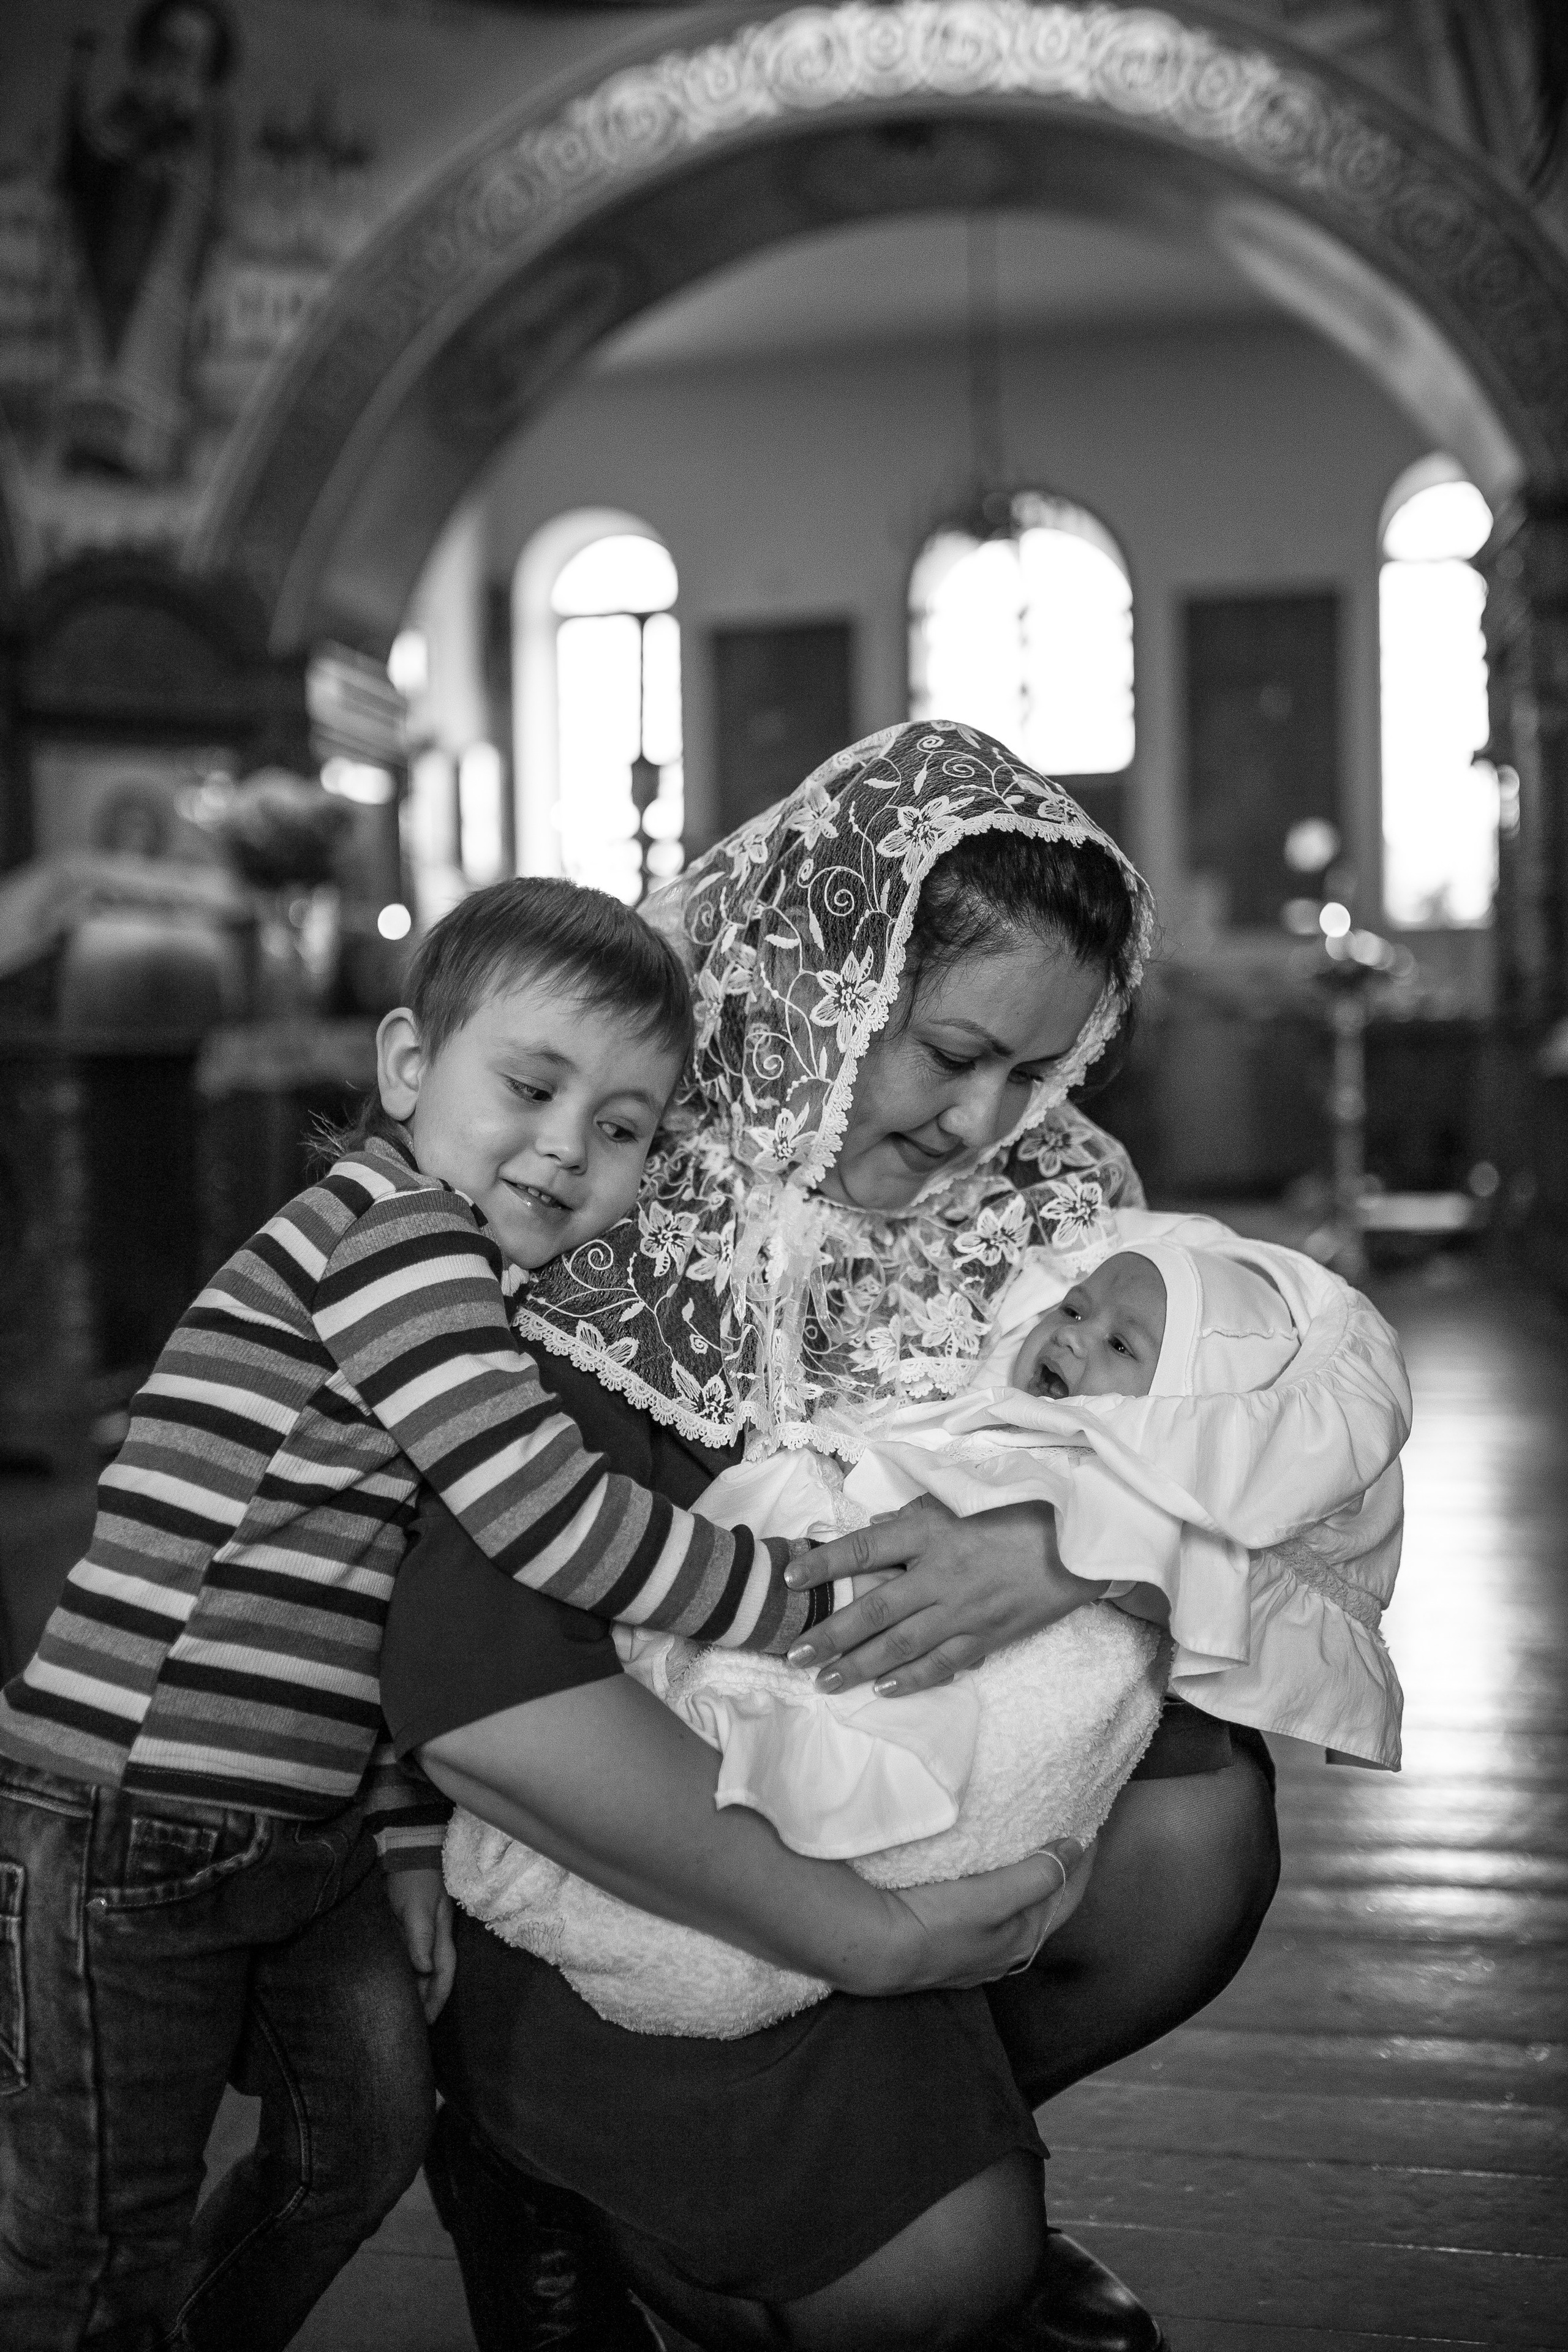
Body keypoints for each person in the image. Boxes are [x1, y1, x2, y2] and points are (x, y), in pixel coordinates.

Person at [380, 721, 1363, 2352]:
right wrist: (864, 1935)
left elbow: (1303, 1492)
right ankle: (571, 2164)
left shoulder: (1044, 1206)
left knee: (1200, 1829)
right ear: (816, 981)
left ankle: (919, 2153)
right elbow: (488, 1705)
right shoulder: (605, 1193)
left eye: (1036, 1069)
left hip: (903, 1806)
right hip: (630, 1851)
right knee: (939, 2284)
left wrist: (1068, 1547)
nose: (986, 1119)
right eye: (949, 1050)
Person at [1, 876, 976, 2349]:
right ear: (408, 1068)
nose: (567, 1146)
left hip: (295, 1828)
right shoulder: (390, 1240)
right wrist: (781, 1594)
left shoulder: (454, 1277)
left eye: (626, 1125)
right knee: (92, 2247)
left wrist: (396, 1831)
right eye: (529, 1085)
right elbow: (543, 1511)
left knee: (355, 2148)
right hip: (128, 1815)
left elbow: (358, 1584)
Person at [441, 1234, 1404, 2040]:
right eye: (1072, 1311)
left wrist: (1080, 1547)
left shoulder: (1126, 1465)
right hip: (773, 1632)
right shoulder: (984, 1389)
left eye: (1123, 1344)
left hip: (939, 1701)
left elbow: (1292, 1468)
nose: (1072, 1335)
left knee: (1184, 1805)